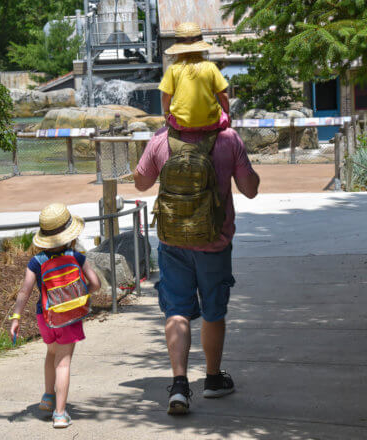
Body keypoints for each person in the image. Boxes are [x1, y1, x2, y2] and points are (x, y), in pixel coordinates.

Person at [134, 125, 260, 415]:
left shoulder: (161, 139)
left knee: (176, 310)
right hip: (214, 243)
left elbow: (140, 183)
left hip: (173, 241)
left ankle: (179, 386)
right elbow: (250, 190)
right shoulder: (228, 139)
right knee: (213, 312)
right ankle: (213, 379)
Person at [9, 203, 101, 428]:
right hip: (69, 317)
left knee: (51, 353)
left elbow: (25, 291)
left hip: (45, 317)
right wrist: (81, 294)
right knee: (64, 362)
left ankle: (48, 396)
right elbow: (96, 284)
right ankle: (60, 413)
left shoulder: (36, 262)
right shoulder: (77, 257)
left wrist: (16, 318)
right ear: (69, 234)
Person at [159, 22, 231, 133]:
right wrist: (227, 113)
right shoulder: (211, 67)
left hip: (180, 124)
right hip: (210, 122)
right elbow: (223, 95)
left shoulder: (173, 69)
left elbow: (165, 96)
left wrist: (166, 114)